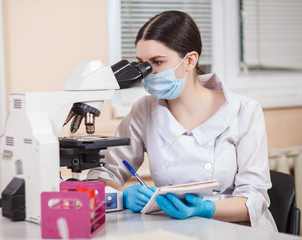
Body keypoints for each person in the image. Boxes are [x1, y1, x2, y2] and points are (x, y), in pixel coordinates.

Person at [88, 10, 277, 231]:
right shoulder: (144, 110)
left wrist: (206, 209)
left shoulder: (244, 111)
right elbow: (102, 174)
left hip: (239, 230)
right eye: (141, 64)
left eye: (157, 62)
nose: (147, 73)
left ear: (190, 60)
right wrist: (123, 195)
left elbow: (254, 201)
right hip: (175, 229)